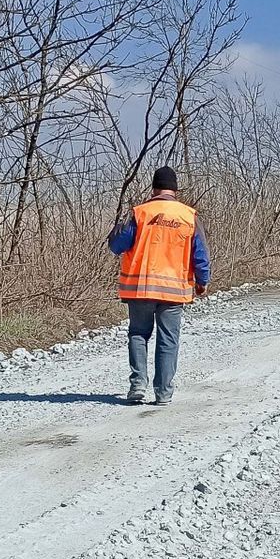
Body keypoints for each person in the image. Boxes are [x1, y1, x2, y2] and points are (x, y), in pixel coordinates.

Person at [107, 166, 210, 404]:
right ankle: (163, 393)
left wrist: (116, 231)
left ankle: (137, 384)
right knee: (168, 339)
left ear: (154, 187)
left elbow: (117, 246)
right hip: (174, 292)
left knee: (138, 334)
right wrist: (202, 281)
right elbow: (200, 254)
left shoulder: (140, 213)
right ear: (175, 189)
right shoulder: (188, 216)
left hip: (140, 288)